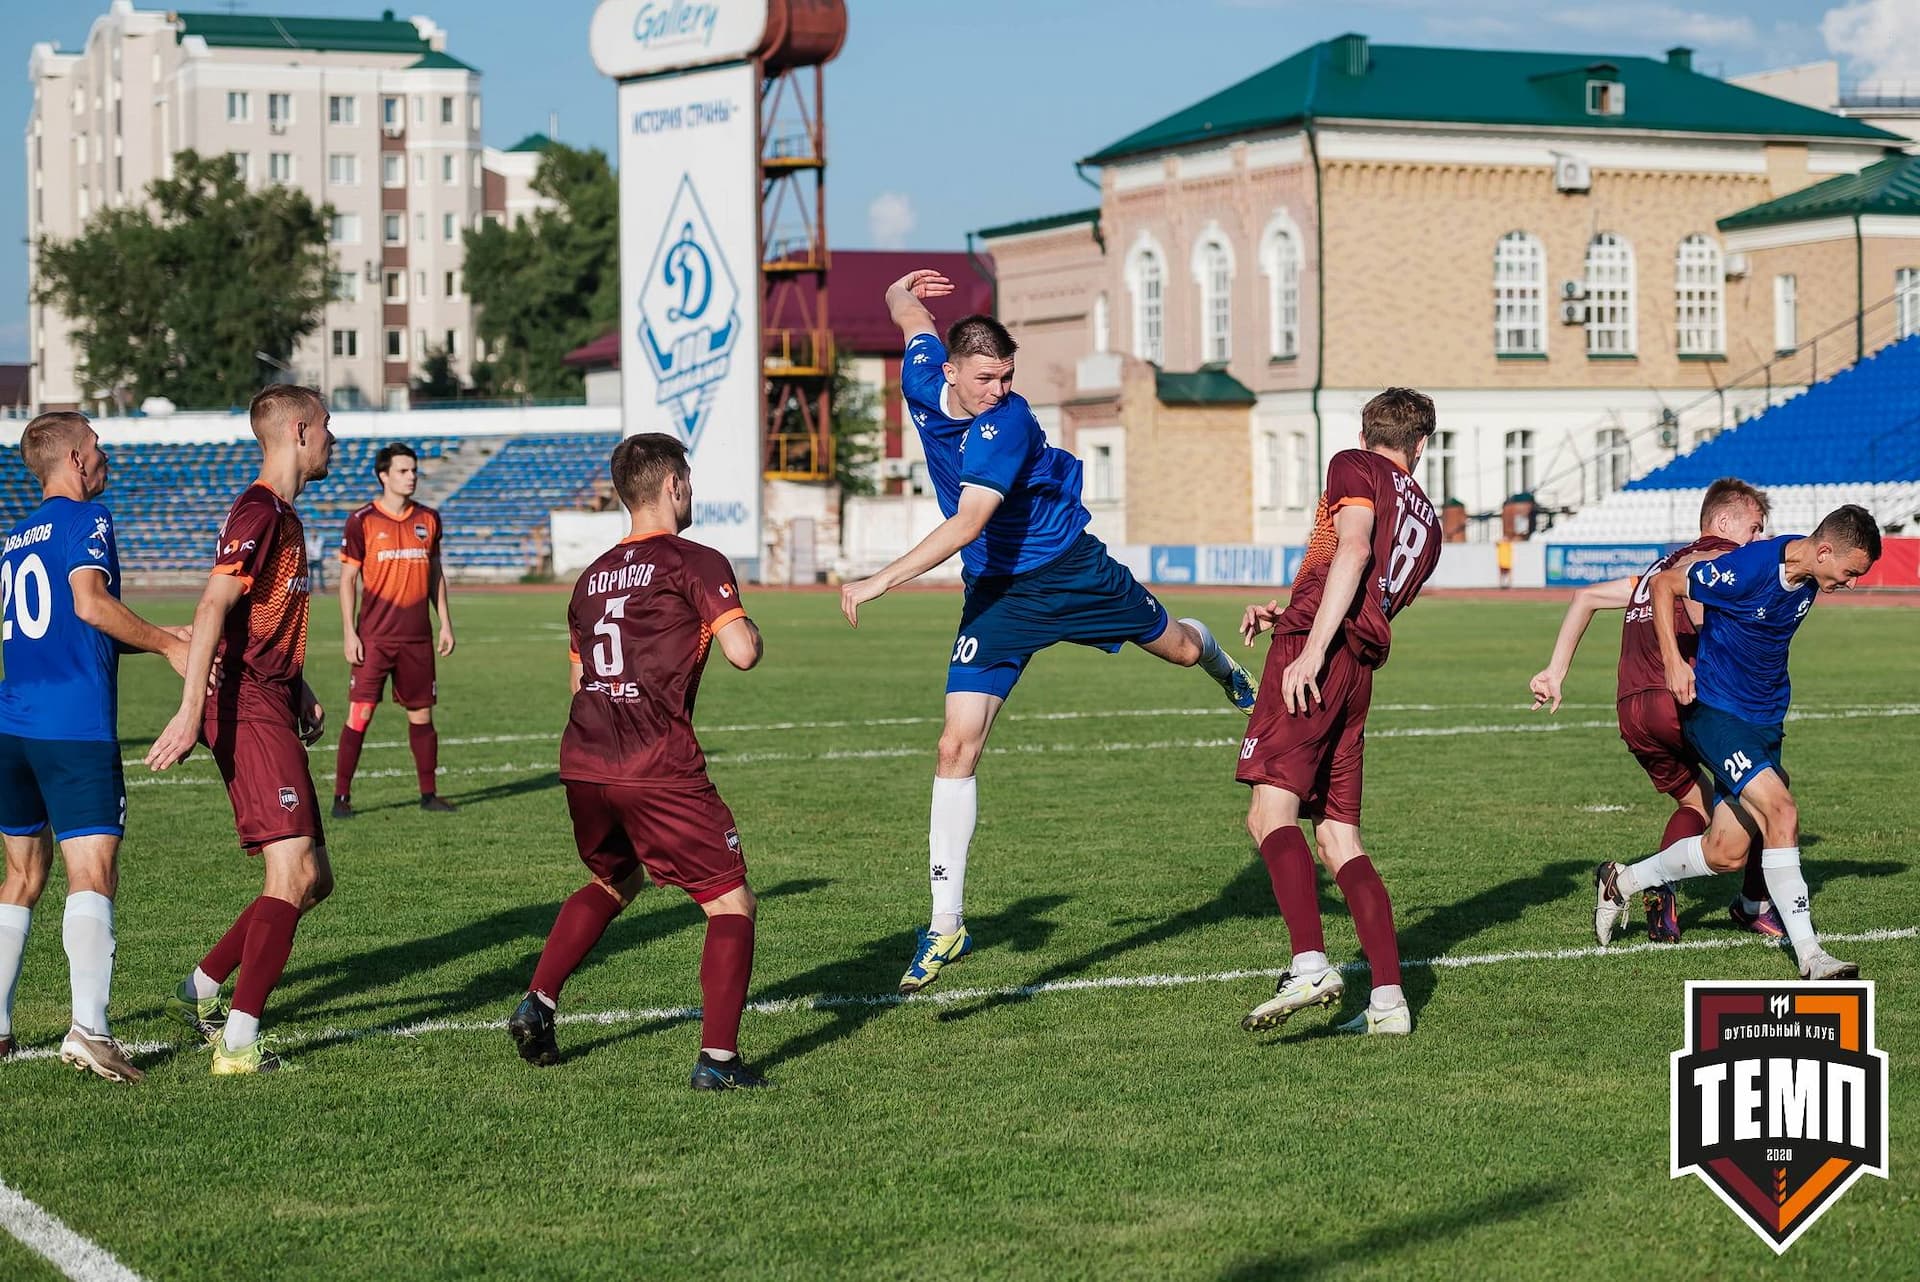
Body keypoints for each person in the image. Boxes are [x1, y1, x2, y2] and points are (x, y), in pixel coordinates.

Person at [840, 269, 1260, 994]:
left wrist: (879, 579)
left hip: (1072, 574)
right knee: (954, 744)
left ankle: (1223, 667)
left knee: (1179, 649)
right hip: (1000, 595)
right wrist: (899, 289)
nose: (998, 390)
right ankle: (945, 925)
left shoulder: (1009, 423)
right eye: (985, 379)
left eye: (1006, 377)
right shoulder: (917, 374)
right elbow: (905, 313)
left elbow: (968, 522)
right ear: (948, 371)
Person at [507, 433, 770, 1089]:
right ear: (674, 486)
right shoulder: (695, 559)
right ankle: (719, 1062)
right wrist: (743, 625)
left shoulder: (591, 578)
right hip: (656, 763)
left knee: (613, 882)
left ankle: (538, 1000)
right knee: (731, 903)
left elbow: (578, 683)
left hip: (586, 758)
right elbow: (743, 652)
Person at [1593, 505, 1882, 979]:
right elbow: (1666, 584)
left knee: (1725, 852)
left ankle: (1621, 882)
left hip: (1766, 722)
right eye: (1850, 572)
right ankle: (1812, 957)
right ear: (1825, 551)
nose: (1850, 583)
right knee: (1782, 810)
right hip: (1717, 713)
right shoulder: (1749, 567)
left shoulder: (1805, 569)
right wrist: (1673, 662)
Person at [1236, 389, 1443, 1037]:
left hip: (1318, 655)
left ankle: (1308, 964)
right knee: (1337, 837)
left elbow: (1351, 553)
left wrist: (1308, 646)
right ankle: (1387, 1004)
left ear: (1364, 431)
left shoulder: (1353, 463)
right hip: (1358, 672)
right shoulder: (1430, 524)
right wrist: (1290, 609)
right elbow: (1369, 590)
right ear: (1423, 444)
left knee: (1267, 812)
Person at [146, 384, 337, 1074]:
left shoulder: (282, 515)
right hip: (247, 705)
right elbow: (210, 607)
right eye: (326, 427)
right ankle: (238, 1044)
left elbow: (254, 618)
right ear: (297, 430)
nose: (333, 441)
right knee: (290, 872)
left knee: (314, 880)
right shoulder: (258, 511)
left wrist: (299, 683)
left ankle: (196, 991)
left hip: (271, 698)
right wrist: (192, 711)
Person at [0, 412, 189, 1080]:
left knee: (21, 877)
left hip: (13, 724)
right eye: (98, 445)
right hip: (72, 728)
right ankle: (90, 1030)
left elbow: (63, 632)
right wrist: (169, 643)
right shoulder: (90, 517)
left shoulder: (15, 537)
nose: (105, 455)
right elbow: (87, 605)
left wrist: (156, 631)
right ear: (77, 460)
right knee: (92, 873)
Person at [1529, 478, 1782, 943]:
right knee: (1766, 787)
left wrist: (1555, 671)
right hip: (1679, 699)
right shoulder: (1719, 562)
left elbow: (1583, 597)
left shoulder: (1656, 569)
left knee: (1694, 801)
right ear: (1724, 522)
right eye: (1756, 527)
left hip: (1632, 710)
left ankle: (1657, 894)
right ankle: (1753, 905)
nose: (1759, 539)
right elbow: (1707, 615)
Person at [332, 442, 456, 817]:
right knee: (360, 714)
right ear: (384, 475)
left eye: (414, 470)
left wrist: (445, 623)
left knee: (421, 715)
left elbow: (436, 574)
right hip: (374, 638)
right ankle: (341, 798)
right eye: (403, 471)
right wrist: (349, 633)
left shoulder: (429, 519)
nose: (411, 476)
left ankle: (429, 794)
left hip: (417, 638)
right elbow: (347, 579)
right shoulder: (362, 520)